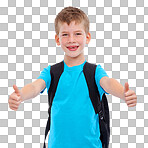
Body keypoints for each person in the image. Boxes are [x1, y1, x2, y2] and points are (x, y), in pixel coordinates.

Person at [8, 6, 137, 148]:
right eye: (65, 35)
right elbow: (34, 86)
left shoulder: (94, 71)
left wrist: (123, 94)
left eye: (77, 34)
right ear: (57, 39)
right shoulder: (51, 72)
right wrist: (21, 95)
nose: (71, 40)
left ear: (87, 37)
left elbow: (108, 83)